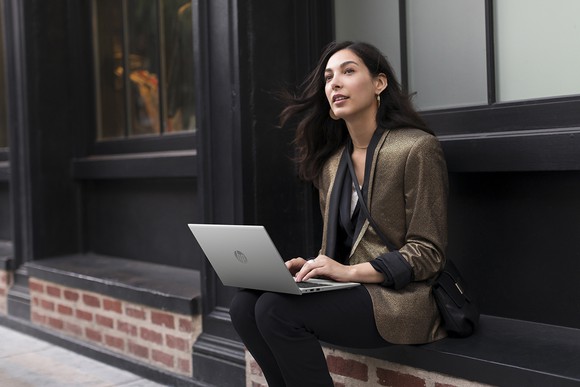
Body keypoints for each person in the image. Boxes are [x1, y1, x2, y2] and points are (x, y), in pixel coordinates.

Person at [229, 41, 448, 387]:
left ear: (379, 84)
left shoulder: (416, 148)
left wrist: (347, 272)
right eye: (329, 77)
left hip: (403, 299)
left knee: (275, 310)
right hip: (350, 289)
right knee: (245, 305)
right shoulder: (332, 164)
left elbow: (428, 253)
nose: (334, 83)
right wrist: (312, 267)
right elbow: (336, 251)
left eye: (348, 71)